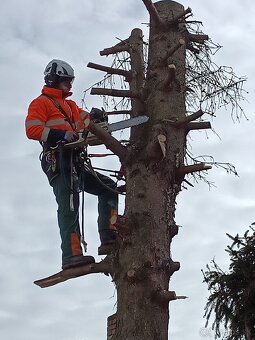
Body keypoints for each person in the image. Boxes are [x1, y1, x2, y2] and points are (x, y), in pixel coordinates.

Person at [26, 59, 118, 270]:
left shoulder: (70, 106)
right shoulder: (40, 103)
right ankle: (71, 255)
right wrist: (61, 134)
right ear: (54, 79)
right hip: (58, 159)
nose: (69, 85)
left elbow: (85, 121)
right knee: (69, 204)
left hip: (75, 160)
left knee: (108, 188)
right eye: (66, 81)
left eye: (70, 81)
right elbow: (32, 129)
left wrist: (95, 117)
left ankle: (109, 235)